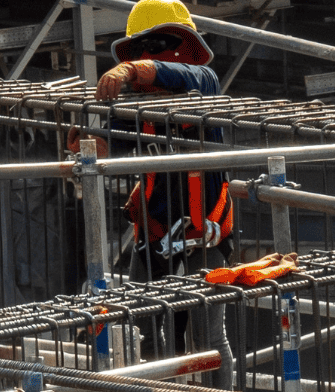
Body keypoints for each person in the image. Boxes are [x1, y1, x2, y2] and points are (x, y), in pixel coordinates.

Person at [93, 0, 237, 371]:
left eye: (155, 47)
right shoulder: (144, 111)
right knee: (143, 323)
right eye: (139, 50)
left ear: (184, 48)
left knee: (208, 335)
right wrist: (87, 140)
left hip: (204, 233)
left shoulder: (204, 86)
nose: (146, 56)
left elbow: (178, 75)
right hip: (156, 231)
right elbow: (108, 140)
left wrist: (133, 68)